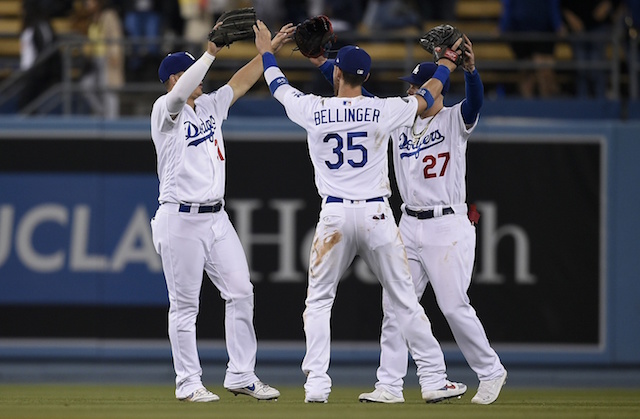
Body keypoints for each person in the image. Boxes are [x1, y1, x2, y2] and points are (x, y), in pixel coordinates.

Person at [254, 19, 467, 403]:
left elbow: (276, 85)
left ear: (337, 73)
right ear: (363, 76)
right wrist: (448, 63)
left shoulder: (313, 108)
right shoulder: (382, 110)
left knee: (319, 301)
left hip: (334, 216)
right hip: (376, 216)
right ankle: (433, 380)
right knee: (404, 300)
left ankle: (317, 383)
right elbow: (427, 97)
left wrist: (268, 49)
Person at [309, 35, 507, 405]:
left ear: (436, 90)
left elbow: (475, 102)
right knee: (395, 306)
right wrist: (323, 64)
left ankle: (490, 370)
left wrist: (471, 71)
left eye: (417, 86)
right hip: (409, 223)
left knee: (452, 306)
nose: (413, 91)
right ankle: (389, 384)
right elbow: (356, 102)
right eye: (413, 86)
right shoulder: (401, 120)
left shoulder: (453, 119)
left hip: (447, 223)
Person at [149, 21, 294, 402]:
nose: (202, 77)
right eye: (192, 71)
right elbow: (180, 94)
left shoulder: (210, 104)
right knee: (184, 306)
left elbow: (242, 81)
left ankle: (241, 374)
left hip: (215, 217)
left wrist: (269, 51)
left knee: (241, 291)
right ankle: (188, 382)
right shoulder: (165, 111)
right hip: (179, 217)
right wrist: (210, 51)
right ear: (176, 77)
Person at [499, 0, 564, 97]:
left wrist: (558, 24)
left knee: (545, 73)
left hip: (543, 32)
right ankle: (526, 106)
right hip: (520, 32)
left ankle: (548, 106)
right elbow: (508, 5)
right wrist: (503, 27)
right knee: (526, 73)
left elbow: (553, 4)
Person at [79, 0, 125, 119]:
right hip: (95, 59)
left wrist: (115, 54)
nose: (87, 4)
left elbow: (115, 35)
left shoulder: (109, 15)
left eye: (90, 2)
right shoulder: (92, 18)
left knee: (109, 89)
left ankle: (112, 121)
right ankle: (102, 113)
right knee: (86, 85)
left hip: (108, 58)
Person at [19, 0, 60, 112]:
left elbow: (47, 48)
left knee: (26, 104)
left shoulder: (41, 24)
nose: (22, 12)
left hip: (37, 73)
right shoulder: (30, 26)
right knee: (25, 105)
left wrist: (39, 70)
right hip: (28, 73)